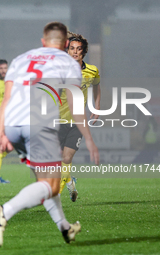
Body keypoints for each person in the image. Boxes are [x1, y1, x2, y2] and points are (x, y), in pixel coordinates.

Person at [0, 21, 99, 247]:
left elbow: (6, 99)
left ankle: (65, 227)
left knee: (45, 180)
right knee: (52, 185)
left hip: (12, 124)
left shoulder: (21, 59)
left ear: (42, 41)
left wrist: (1, 132)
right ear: (65, 45)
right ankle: (4, 212)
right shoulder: (68, 64)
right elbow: (74, 104)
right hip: (39, 125)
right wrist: (88, 138)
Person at [59, 33, 101, 201]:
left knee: (66, 157)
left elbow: (97, 88)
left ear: (84, 52)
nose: (75, 52)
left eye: (79, 49)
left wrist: (97, 107)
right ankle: (69, 181)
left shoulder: (92, 71)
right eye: (72, 49)